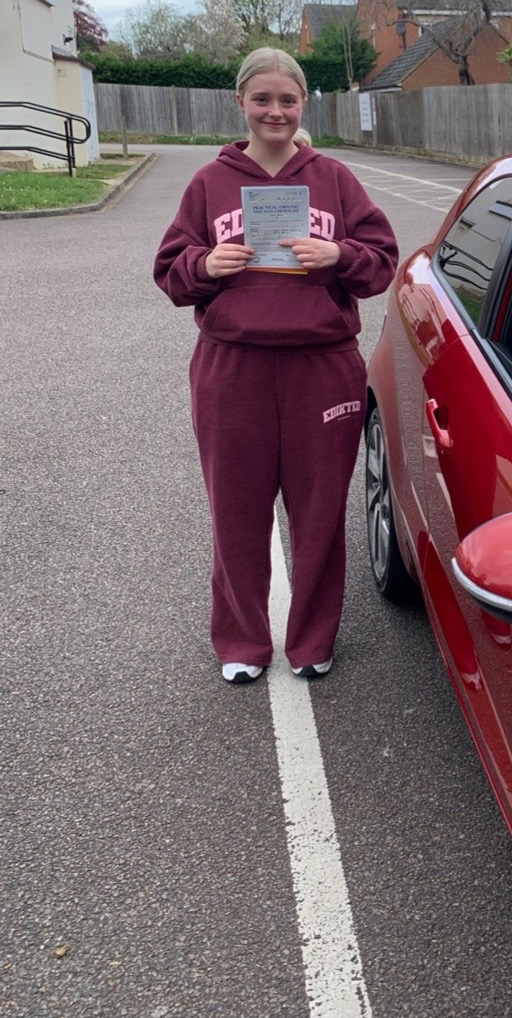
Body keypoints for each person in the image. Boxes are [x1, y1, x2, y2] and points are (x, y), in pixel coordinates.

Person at [153, 48, 398, 684]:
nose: (275, 111)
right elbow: (170, 273)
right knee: (237, 511)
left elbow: (380, 261)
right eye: (262, 99)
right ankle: (241, 642)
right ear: (241, 103)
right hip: (231, 368)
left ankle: (313, 639)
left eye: (287, 100)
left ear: (303, 105)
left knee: (319, 511)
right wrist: (203, 266)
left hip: (322, 366)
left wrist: (336, 252)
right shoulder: (210, 181)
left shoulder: (334, 178)